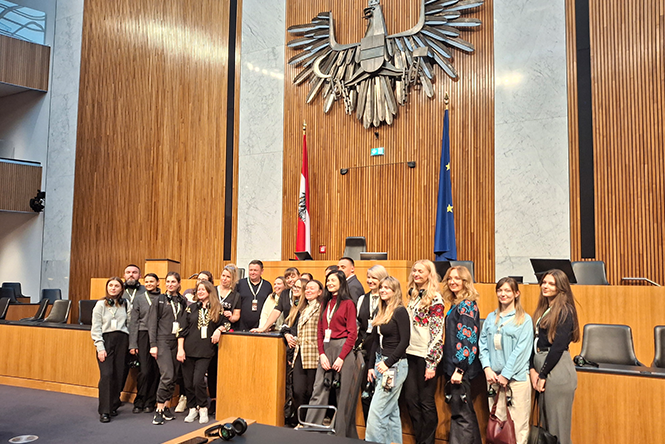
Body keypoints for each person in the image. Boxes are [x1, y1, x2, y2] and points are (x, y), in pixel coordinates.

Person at [305, 270, 360, 438]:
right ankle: (311, 429)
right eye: (328, 280)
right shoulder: (325, 303)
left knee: (342, 395)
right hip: (326, 349)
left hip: (344, 349)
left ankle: (342, 434)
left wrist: (341, 357)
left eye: (333, 280)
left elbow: (352, 333)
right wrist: (322, 354)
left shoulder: (348, 303)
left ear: (341, 282)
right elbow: (320, 331)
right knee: (319, 390)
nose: (329, 283)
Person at [479, 277, 534, 444]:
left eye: (507, 291)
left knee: (517, 427)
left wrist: (506, 374)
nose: (503, 294)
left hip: (515, 381)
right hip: (494, 380)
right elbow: (482, 344)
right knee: (498, 426)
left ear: (516, 293)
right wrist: (487, 367)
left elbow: (521, 351)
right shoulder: (490, 318)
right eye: (500, 290)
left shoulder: (524, 319)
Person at [529, 269, 580, 444]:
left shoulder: (565, 310)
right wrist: (532, 370)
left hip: (556, 370)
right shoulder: (545, 309)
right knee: (547, 429)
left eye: (551, 284)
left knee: (558, 430)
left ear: (561, 288)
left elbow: (558, 347)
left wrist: (542, 374)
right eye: (544, 282)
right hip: (543, 367)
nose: (545, 286)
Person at [364, 276, 410, 444]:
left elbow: (405, 342)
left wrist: (387, 363)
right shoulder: (381, 310)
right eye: (382, 287)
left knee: (377, 412)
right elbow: (376, 341)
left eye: (387, 288)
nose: (383, 290)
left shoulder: (400, 311)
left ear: (395, 291)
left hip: (394, 367)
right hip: (380, 363)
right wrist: (371, 366)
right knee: (391, 412)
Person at [403, 259, 444, 444]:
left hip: (425, 357)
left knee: (426, 402)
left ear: (429, 274)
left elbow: (437, 333)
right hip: (410, 353)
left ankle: (428, 441)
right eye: (414, 271)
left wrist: (432, 363)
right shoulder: (413, 295)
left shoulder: (435, 298)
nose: (416, 274)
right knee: (411, 399)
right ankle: (420, 439)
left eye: (420, 271)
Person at [441, 265, 482, 444]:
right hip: (454, 366)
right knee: (463, 412)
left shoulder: (466, 306)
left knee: (462, 415)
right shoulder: (456, 305)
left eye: (457, 278)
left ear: (466, 282)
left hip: (461, 368)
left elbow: (468, 340)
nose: (453, 282)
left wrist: (459, 368)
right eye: (450, 278)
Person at [176, 280, 227, 424]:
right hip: (188, 350)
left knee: (198, 381)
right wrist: (180, 349)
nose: (200, 292)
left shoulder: (217, 308)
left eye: (203, 290)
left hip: (205, 351)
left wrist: (219, 330)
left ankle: (203, 407)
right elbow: (181, 330)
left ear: (210, 292)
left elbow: (226, 323)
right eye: (198, 290)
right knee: (188, 383)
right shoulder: (190, 309)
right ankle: (192, 408)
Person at [282, 279, 322, 425]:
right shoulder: (303, 308)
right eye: (307, 289)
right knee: (298, 390)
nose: (309, 291)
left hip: (314, 354)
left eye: (313, 289)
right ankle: (301, 420)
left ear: (320, 292)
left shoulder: (321, 308)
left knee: (311, 391)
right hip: (299, 353)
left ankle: (309, 422)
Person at [148, 271, 187, 425]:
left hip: (176, 340)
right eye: (168, 282)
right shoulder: (159, 300)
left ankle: (165, 407)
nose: (170, 284)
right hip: (162, 341)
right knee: (167, 375)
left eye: (173, 282)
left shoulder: (182, 301)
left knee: (174, 376)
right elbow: (152, 325)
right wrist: (153, 345)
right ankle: (158, 409)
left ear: (178, 284)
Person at [91, 277, 129, 423]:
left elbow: (130, 324)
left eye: (116, 286)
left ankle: (113, 404)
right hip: (106, 341)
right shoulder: (100, 305)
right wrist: (100, 347)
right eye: (111, 285)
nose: (113, 288)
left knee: (118, 375)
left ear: (121, 289)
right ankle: (104, 411)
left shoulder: (125, 304)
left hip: (122, 341)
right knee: (107, 374)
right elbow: (96, 327)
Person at [356, 264, 389, 421]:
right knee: (366, 392)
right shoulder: (362, 299)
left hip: (382, 350)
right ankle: (369, 432)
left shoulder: (388, 300)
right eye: (368, 277)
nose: (370, 281)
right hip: (365, 350)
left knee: (381, 394)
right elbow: (357, 324)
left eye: (374, 278)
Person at [209, 263, 241, 414]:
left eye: (228, 277)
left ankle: (224, 399)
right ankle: (213, 400)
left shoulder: (236, 296)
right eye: (223, 276)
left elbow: (236, 316)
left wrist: (231, 316)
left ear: (232, 279)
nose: (225, 279)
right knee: (211, 366)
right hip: (209, 331)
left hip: (226, 333)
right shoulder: (212, 291)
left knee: (223, 367)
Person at [128, 272, 161, 414]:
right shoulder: (139, 299)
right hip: (143, 334)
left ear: (158, 283)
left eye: (152, 281)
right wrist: (133, 344)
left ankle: (150, 401)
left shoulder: (162, 298)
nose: (149, 284)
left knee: (156, 370)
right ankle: (139, 400)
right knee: (145, 370)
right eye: (146, 282)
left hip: (159, 336)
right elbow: (134, 322)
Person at [121, 264, 146, 396]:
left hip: (141, 333)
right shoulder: (118, 289)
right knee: (120, 367)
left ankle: (141, 398)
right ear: (124, 275)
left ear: (140, 276)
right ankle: (116, 397)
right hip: (122, 333)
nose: (131, 275)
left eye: (134, 272)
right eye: (128, 272)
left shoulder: (145, 291)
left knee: (144, 368)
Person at [253, 267, 301, 333]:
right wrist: (264, 328)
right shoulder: (285, 293)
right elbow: (276, 311)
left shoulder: (305, 292)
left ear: (299, 276)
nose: (290, 280)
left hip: (302, 330)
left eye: (293, 277)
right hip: (289, 331)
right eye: (287, 278)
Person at [235, 260, 272, 331]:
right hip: (241, 326)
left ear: (262, 271)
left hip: (261, 325)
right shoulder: (240, 284)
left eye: (255, 270)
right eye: (251, 270)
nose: (252, 272)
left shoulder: (267, 285)